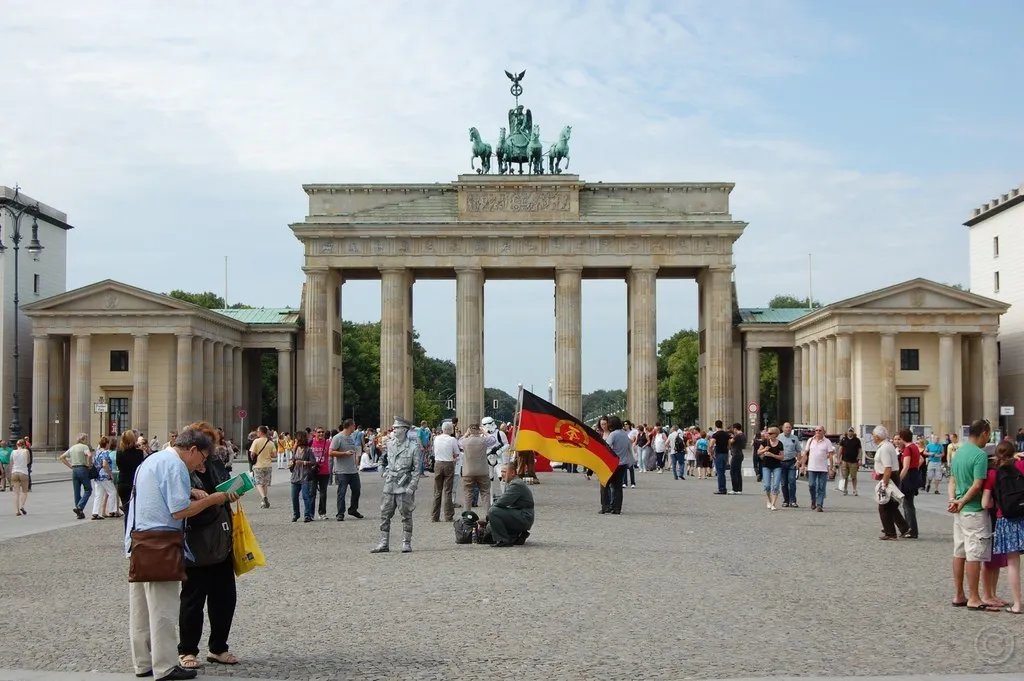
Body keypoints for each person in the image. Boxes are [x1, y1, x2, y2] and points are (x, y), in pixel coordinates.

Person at [126, 426, 238, 681]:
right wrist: (213, 498)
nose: (202, 464)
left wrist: (190, 491)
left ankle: (143, 663)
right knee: (162, 609)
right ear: (193, 450)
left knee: (141, 610)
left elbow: (157, 494)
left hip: (139, 541)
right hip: (161, 543)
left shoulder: (153, 459)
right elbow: (179, 511)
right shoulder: (176, 465)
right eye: (202, 458)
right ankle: (165, 667)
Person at [177, 422, 240, 671]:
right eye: (205, 449)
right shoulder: (181, 469)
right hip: (194, 539)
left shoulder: (213, 464)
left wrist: (233, 492)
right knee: (193, 598)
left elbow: (224, 486)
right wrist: (197, 492)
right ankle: (187, 650)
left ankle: (218, 648)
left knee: (225, 596)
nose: (207, 454)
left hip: (220, 535)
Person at [949, 419, 994, 610]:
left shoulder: (958, 453)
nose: (989, 438)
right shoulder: (979, 456)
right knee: (974, 554)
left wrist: (954, 500)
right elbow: (977, 485)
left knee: (959, 552)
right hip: (974, 511)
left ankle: (959, 594)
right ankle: (974, 597)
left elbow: (952, 480)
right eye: (989, 434)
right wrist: (963, 501)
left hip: (959, 512)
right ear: (983, 433)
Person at [371, 417, 422, 554]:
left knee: (406, 514)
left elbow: (417, 470)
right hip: (390, 483)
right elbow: (382, 460)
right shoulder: (389, 444)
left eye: (397, 427)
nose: (394, 429)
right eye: (394, 427)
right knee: (385, 514)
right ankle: (383, 542)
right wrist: (381, 470)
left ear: (404, 430)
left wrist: (412, 486)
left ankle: (406, 542)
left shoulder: (413, 447)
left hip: (404, 484)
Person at [481, 459, 535, 547]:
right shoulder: (514, 483)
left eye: (505, 472)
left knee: (493, 511)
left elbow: (502, 502)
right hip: (522, 515)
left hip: (524, 516)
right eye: (502, 471)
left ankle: (503, 540)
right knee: (492, 521)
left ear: (513, 473)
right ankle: (515, 536)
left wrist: (490, 512)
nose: (502, 474)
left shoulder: (516, 485)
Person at [873, 426, 909, 540]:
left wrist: (884, 484)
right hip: (891, 476)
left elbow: (887, 468)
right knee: (891, 506)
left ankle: (890, 533)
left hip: (888, 477)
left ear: (877, 437)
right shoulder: (888, 446)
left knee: (883, 506)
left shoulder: (884, 448)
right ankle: (904, 528)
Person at [329, 419, 363, 521]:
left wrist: (356, 464)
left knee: (357, 490)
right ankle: (340, 513)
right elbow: (330, 452)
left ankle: (353, 509)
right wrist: (344, 454)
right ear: (350, 426)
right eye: (354, 425)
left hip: (352, 470)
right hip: (342, 470)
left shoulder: (351, 437)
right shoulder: (337, 438)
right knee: (342, 493)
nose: (355, 427)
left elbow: (354, 452)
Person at [600, 415, 631, 515]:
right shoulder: (625, 434)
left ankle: (606, 506)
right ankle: (617, 508)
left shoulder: (613, 434)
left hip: (613, 463)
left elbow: (606, 447)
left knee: (604, 484)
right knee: (618, 487)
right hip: (623, 463)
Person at [58, 433, 93, 519]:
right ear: (83, 440)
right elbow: (89, 455)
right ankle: (80, 507)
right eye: (86, 439)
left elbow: (62, 457)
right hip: (83, 468)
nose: (87, 441)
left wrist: (70, 466)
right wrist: (89, 464)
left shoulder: (73, 447)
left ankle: (79, 512)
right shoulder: (84, 447)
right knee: (88, 489)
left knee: (76, 491)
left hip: (75, 470)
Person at [116, 430, 146, 530]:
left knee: (127, 511)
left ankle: (127, 536)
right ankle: (132, 534)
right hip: (134, 484)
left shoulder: (119, 453)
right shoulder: (139, 453)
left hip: (122, 483)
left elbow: (119, 466)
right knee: (134, 511)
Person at [801, 425, 835, 511]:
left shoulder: (827, 442)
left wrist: (831, 467)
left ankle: (819, 504)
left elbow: (831, 455)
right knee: (811, 485)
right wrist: (803, 465)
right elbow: (806, 454)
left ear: (824, 432)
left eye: (820, 430)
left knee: (821, 487)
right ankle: (813, 499)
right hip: (812, 467)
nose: (818, 432)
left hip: (823, 468)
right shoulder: (810, 440)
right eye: (816, 430)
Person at [431, 421, 459, 522]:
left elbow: (434, 451)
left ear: (442, 429)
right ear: (451, 430)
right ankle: (448, 515)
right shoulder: (452, 440)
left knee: (437, 491)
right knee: (448, 490)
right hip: (448, 464)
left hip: (438, 463)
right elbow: (456, 454)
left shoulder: (436, 438)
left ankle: (435, 516)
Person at [896, 429, 921, 539]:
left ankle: (911, 529)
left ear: (902, 438)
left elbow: (905, 467)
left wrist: (899, 479)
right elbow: (920, 460)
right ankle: (909, 528)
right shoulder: (914, 447)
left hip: (908, 477)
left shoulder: (908, 449)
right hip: (914, 474)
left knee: (908, 505)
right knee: (908, 503)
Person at [248, 426, 276, 509]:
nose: (257, 433)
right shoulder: (270, 442)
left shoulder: (256, 441)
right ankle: (264, 502)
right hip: (268, 465)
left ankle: (264, 497)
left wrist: (253, 458)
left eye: (257, 431)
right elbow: (275, 455)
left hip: (258, 465)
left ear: (261, 432)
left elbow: (252, 453)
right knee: (265, 484)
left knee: (259, 483)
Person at [759, 427, 784, 510]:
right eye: (767, 433)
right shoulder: (764, 442)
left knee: (776, 485)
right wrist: (764, 450)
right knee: (767, 485)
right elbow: (758, 452)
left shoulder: (780, 444)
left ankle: (773, 504)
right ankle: (768, 501)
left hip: (777, 466)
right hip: (766, 465)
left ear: (775, 434)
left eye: (770, 433)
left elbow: (782, 457)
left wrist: (772, 455)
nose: (768, 435)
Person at [837, 428, 862, 496]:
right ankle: (845, 489)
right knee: (845, 476)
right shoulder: (844, 439)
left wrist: (860, 459)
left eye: (852, 431)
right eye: (849, 431)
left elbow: (860, 450)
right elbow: (840, 449)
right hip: (844, 460)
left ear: (853, 432)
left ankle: (854, 490)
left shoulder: (857, 440)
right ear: (847, 432)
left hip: (854, 461)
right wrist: (838, 459)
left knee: (853, 476)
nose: (850, 433)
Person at [10, 439, 30, 516]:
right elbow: (28, 461)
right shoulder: (26, 451)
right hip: (23, 472)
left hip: (15, 472)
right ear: (24, 444)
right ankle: (22, 506)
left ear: (17, 445)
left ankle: (16, 511)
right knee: (24, 491)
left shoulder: (13, 452)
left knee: (16, 493)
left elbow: (11, 462)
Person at [710, 421, 731, 495]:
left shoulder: (715, 435)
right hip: (725, 453)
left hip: (718, 454)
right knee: (723, 472)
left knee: (719, 472)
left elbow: (711, 445)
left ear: (716, 426)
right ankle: (723, 488)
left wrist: (711, 454)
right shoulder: (726, 434)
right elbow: (729, 444)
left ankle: (721, 489)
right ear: (722, 425)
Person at [728, 423, 746, 494]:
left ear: (735, 428)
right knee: (738, 472)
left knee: (733, 472)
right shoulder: (743, 435)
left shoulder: (737, 436)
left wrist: (730, 438)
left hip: (736, 454)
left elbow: (730, 442)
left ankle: (735, 489)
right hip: (740, 454)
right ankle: (739, 489)